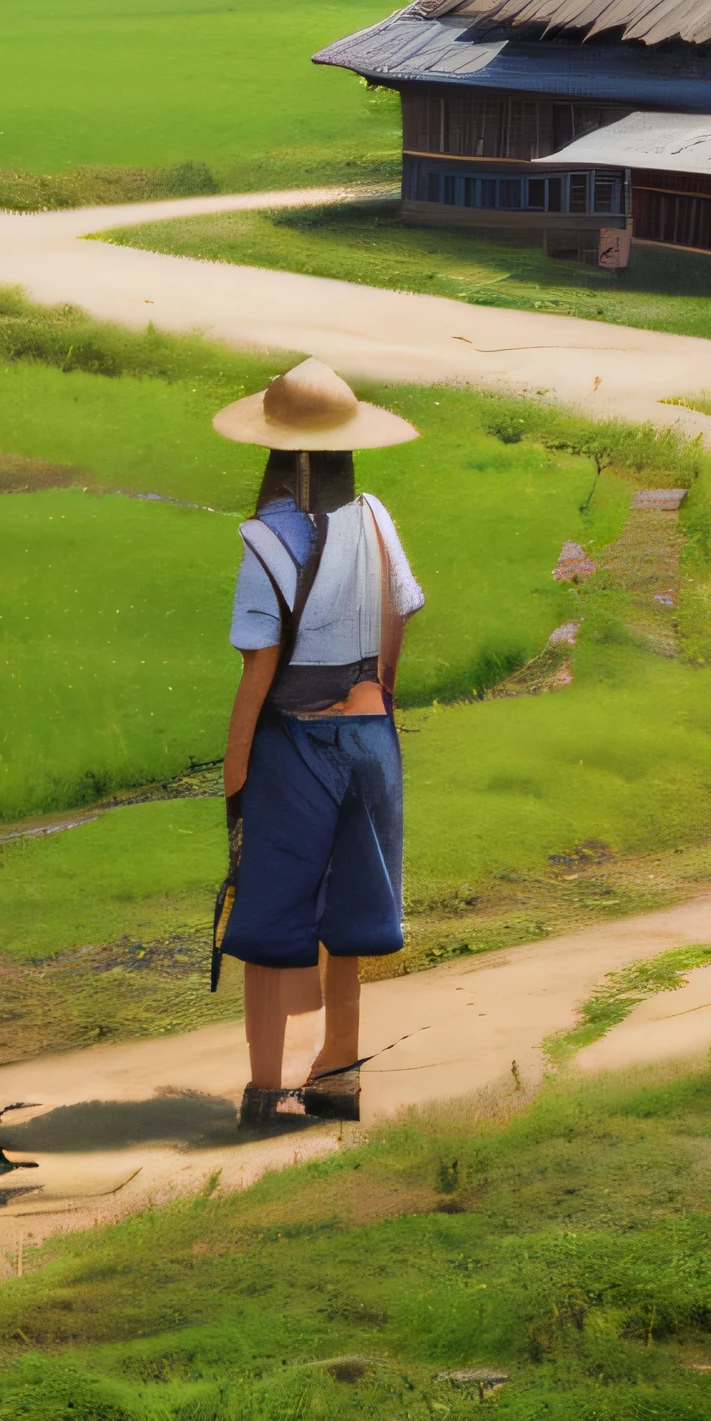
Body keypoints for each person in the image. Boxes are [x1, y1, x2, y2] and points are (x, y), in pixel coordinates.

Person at [212, 357, 422, 1130]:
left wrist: (235, 779)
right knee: (352, 915)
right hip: (373, 741)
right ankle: (339, 1074)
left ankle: (266, 1091)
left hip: (295, 746)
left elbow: (258, 674)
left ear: (274, 452)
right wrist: (379, 711)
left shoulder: (266, 541)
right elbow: (400, 620)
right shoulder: (376, 516)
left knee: (266, 917)